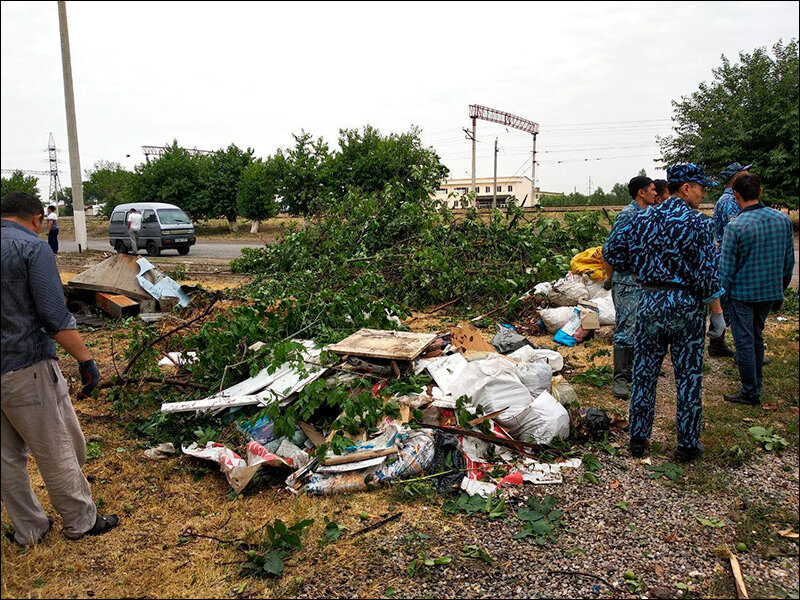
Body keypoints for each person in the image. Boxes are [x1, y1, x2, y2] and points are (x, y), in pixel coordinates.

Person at [1, 191, 119, 546]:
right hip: (25, 365)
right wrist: (86, 359)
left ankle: (29, 529)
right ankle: (81, 521)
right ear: (37, 219)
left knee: (5, 456)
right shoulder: (33, 249)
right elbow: (54, 317)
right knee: (55, 447)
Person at [604, 163, 725, 462]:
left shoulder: (642, 219)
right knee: (688, 376)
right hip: (686, 307)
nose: (703, 193)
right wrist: (717, 315)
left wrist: (644, 269)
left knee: (644, 373)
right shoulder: (700, 224)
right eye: (701, 188)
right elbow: (709, 275)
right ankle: (686, 445)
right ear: (686, 188)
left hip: (650, 301)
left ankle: (638, 439)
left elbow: (611, 252)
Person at [720, 173, 794, 405]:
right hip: (769, 292)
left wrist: (721, 301)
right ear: (760, 192)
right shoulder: (781, 221)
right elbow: (788, 262)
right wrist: (780, 289)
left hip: (743, 294)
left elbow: (726, 270)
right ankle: (756, 382)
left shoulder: (736, 226)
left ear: (736, 194)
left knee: (744, 341)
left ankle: (750, 391)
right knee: (757, 336)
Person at [602, 176, 658, 399]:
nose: (656, 193)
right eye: (652, 190)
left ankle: (634, 374)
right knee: (626, 329)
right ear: (641, 193)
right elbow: (610, 249)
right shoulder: (628, 215)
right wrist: (627, 268)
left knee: (640, 328)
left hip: (642, 281)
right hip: (628, 281)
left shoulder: (648, 214)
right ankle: (620, 379)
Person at [709, 162, 751, 358]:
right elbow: (736, 231)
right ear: (735, 177)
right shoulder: (730, 202)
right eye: (744, 172)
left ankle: (718, 344)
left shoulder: (730, 199)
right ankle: (726, 346)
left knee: (725, 302)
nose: (748, 173)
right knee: (729, 301)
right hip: (729, 256)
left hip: (728, 255)